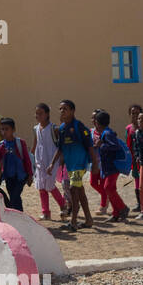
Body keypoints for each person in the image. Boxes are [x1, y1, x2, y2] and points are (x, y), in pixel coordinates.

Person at [48, 99, 97, 231]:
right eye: (60, 109)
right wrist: (52, 164)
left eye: (65, 109)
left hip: (79, 165)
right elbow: (60, 148)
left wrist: (95, 164)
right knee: (80, 192)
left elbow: (90, 146)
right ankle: (88, 219)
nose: (62, 111)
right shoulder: (62, 128)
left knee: (73, 191)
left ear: (72, 111)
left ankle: (74, 221)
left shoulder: (79, 126)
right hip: (70, 166)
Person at [32, 103, 69, 220]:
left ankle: (63, 205)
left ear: (47, 114)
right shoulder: (36, 128)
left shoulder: (54, 129)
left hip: (51, 161)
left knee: (50, 185)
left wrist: (60, 160)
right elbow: (36, 144)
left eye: (40, 113)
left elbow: (60, 146)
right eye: (36, 113)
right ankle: (46, 212)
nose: (37, 115)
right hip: (40, 162)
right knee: (41, 187)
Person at [93, 110, 130, 223]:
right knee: (110, 189)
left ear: (98, 123)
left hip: (113, 167)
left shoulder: (107, 134)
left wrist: (101, 145)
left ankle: (123, 208)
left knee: (108, 188)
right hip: (108, 167)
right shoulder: (105, 133)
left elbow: (114, 146)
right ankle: (116, 213)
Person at [0, 118, 33, 212]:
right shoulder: (0, 146)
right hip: (8, 176)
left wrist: (30, 175)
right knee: (14, 197)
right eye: (2, 129)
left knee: (14, 196)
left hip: (21, 176)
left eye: (6, 129)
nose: (4, 132)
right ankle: (20, 215)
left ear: (13, 130)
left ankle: (17, 214)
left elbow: (27, 160)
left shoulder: (20, 143)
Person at [89, 109, 108, 215]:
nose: (93, 120)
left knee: (104, 184)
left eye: (95, 118)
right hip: (94, 162)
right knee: (93, 183)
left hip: (104, 163)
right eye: (92, 118)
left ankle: (103, 206)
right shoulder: (90, 132)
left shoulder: (106, 132)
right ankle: (107, 195)